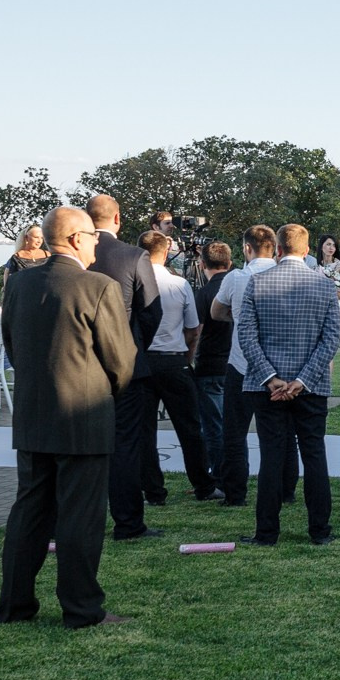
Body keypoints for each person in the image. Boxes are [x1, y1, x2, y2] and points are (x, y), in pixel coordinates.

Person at [0, 206, 135, 628]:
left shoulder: (18, 284)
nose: (97, 243)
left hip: (34, 415)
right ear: (76, 239)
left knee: (29, 514)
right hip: (84, 417)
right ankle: (81, 608)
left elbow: (12, 348)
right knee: (80, 518)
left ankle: (14, 605)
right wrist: (106, 395)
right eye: (93, 236)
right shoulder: (97, 287)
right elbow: (121, 361)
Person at [234, 224, 340, 545]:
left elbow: (246, 337)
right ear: (307, 250)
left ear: (278, 249)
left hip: (265, 386)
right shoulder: (325, 287)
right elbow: (330, 341)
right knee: (314, 454)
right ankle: (319, 531)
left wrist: (270, 378)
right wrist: (302, 380)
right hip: (311, 386)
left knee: (271, 456)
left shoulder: (256, 283)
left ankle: (266, 533)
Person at [83, 193, 164, 540]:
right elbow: (151, 311)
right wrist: (132, 346)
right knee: (126, 444)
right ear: (117, 219)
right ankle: (128, 522)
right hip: (126, 365)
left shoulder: (74, 257)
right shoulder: (134, 256)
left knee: (81, 445)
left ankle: (81, 519)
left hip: (79, 365)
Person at [136, 229, 217, 506]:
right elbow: (193, 329)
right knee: (190, 427)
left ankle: (154, 491)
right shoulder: (179, 284)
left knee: (144, 430)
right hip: (174, 358)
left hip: (143, 361)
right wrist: (187, 357)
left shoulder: (134, 284)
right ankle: (203, 484)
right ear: (166, 252)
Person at [210, 225, 279, 507]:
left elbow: (216, 312)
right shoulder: (284, 276)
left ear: (247, 248)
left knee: (235, 432)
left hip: (241, 363)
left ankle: (235, 492)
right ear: (274, 248)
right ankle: (282, 489)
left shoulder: (236, 278)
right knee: (276, 432)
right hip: (277, 365)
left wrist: (237, 319)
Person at [188, 240, 234, 489]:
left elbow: (196, 332)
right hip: (234, 364)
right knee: (232, 425)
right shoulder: (239, 288)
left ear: (202, 264)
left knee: (213, 426)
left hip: (209, 364)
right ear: (229, 263)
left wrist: (189, 359)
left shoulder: (204, 294)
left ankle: (218, 476)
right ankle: (234, 473)